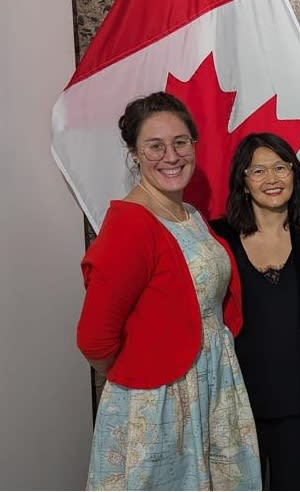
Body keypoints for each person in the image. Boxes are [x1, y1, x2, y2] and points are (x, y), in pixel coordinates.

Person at [76, 92, 261, 490]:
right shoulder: (131, 224)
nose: (171, 156)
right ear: (135, 154)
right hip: (162, 399)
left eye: (181, 142)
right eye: (155, 146)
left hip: (212, 383)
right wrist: (142, 376)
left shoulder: (189, 214)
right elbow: (94, 338)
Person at [210, 133, 300, 490]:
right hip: (234, 400)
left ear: (295, 175)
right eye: (259, 170)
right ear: (243, 181)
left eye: (281, 168)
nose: (272, 179)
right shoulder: (217, 236)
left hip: (299, 403)